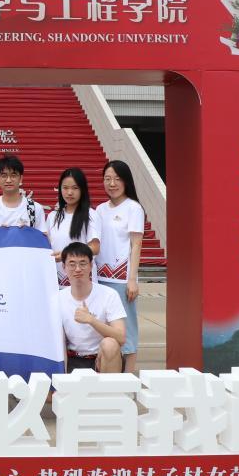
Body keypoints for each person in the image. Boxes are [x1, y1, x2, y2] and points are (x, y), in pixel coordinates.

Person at [93, 159, 145, 374]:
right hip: (100, 278)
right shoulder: (99, 209)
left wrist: (132, 279)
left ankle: (129, 378)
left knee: (127, 330)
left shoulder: (133, 208)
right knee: (104, 330)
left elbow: (136, 244)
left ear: (126, 181)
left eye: (117, 179)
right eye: (107, 179)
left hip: (122, 280)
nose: (112, 183)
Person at [58, 242, 126, 373]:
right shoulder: (57, 298)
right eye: (72, 264)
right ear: (64, 267)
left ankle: (108, 386)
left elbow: (121, 337)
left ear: (91, 265)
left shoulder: (109, 294)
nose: (78, 269)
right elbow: (58, 343)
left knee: (110, 344)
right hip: (73, 358)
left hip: (101, 359)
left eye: (83, 263)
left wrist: (91, 320)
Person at [46, 168, 100, 286]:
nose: (69, 192)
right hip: (57, 281)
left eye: (75, 188)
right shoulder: (52, 216)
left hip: (82, 281)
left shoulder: (90, 215)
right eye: (65, 188)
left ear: (82, 190)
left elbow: (95, 247)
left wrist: (66, 255)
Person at [0, 154, 47, 232]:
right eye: (4, 176)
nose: (8, 180)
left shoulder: (35, 209)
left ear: (20, 178)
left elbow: (41, 238)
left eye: (13, 175)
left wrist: (27, 232)